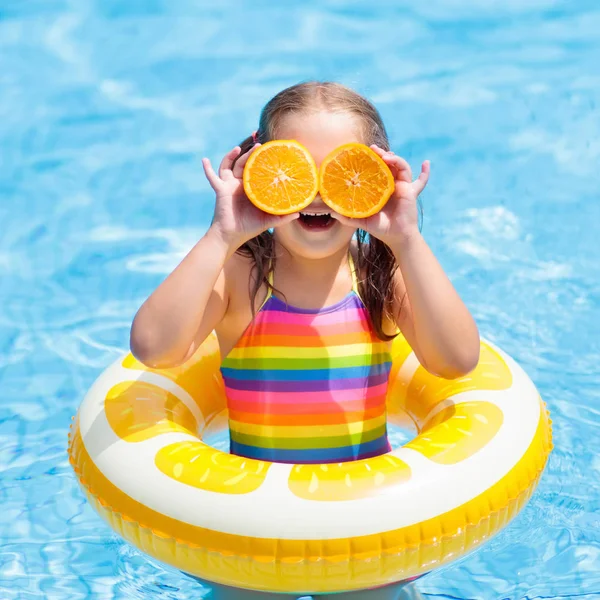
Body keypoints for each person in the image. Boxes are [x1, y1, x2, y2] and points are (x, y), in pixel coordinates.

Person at [130, 80, 479, 596]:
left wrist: (407, 239)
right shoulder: (241, 278)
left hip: (365, 531)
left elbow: (456, 361)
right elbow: (154, 348)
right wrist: (222, 235)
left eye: (342, 172)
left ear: (378, 178)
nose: (316, 193)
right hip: (254, 533)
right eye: (295, 172)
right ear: (256, 172)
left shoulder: (381, 275)